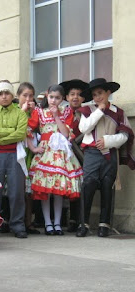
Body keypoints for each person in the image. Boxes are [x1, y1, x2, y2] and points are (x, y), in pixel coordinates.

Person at [76, 78, 135, 237]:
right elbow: (84, 128)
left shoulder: (118, 112)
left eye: (100, 93)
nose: (98, 97)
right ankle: (84, 224)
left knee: (107, 186)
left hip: (110, 154)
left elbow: (125, 135)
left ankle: (104, 224)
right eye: (94, 95)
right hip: (92, 153)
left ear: (108, 93)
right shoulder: (88, 110)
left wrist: (108, 141)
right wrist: (100, 110)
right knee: (88, 184)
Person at [27, 84, 83, 236]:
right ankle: (47, 223)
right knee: (45, 190)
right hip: (45, 153)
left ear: (62, 99)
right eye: (51, 97)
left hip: (61, 154)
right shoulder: (39, 111)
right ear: (47, 95)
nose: (53, 100)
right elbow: (27, 130)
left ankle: (57, 223)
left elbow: (66, 134)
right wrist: (33, 148)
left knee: (58, 190)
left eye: (57, 98)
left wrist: (57, 116)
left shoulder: (66, 112)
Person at [0, 80, 28, 239]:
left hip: (15, 155)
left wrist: (0, 137)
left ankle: (18, 225)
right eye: (0, 94)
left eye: (7, 93)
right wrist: (10, 132)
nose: (4, 96)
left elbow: (20, 134)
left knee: (16, 192)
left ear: (12, 95)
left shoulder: (20, 114)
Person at [59, 79, 89, 232]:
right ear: (67, 97)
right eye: (72, 94)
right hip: (65, 155)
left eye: (79, 94)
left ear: (84, 98)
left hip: (83, 155)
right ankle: (68, 219)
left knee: (81, 186)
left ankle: (79, 220)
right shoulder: (62, 114)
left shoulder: (88, 114)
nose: (75, 97)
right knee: (68, 186)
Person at [16, 82, 41, 234]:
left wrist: (34, 112)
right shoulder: (16, 111)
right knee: (18, 189)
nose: (28, 98)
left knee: (29, 190)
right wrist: (23, 111)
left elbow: (40, 128)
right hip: (19, 150)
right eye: (24, 95)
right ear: (18, 96)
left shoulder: (36, 112)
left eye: (30, 95)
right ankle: (17, 221)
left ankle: (29, 221)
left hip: (32, 152)